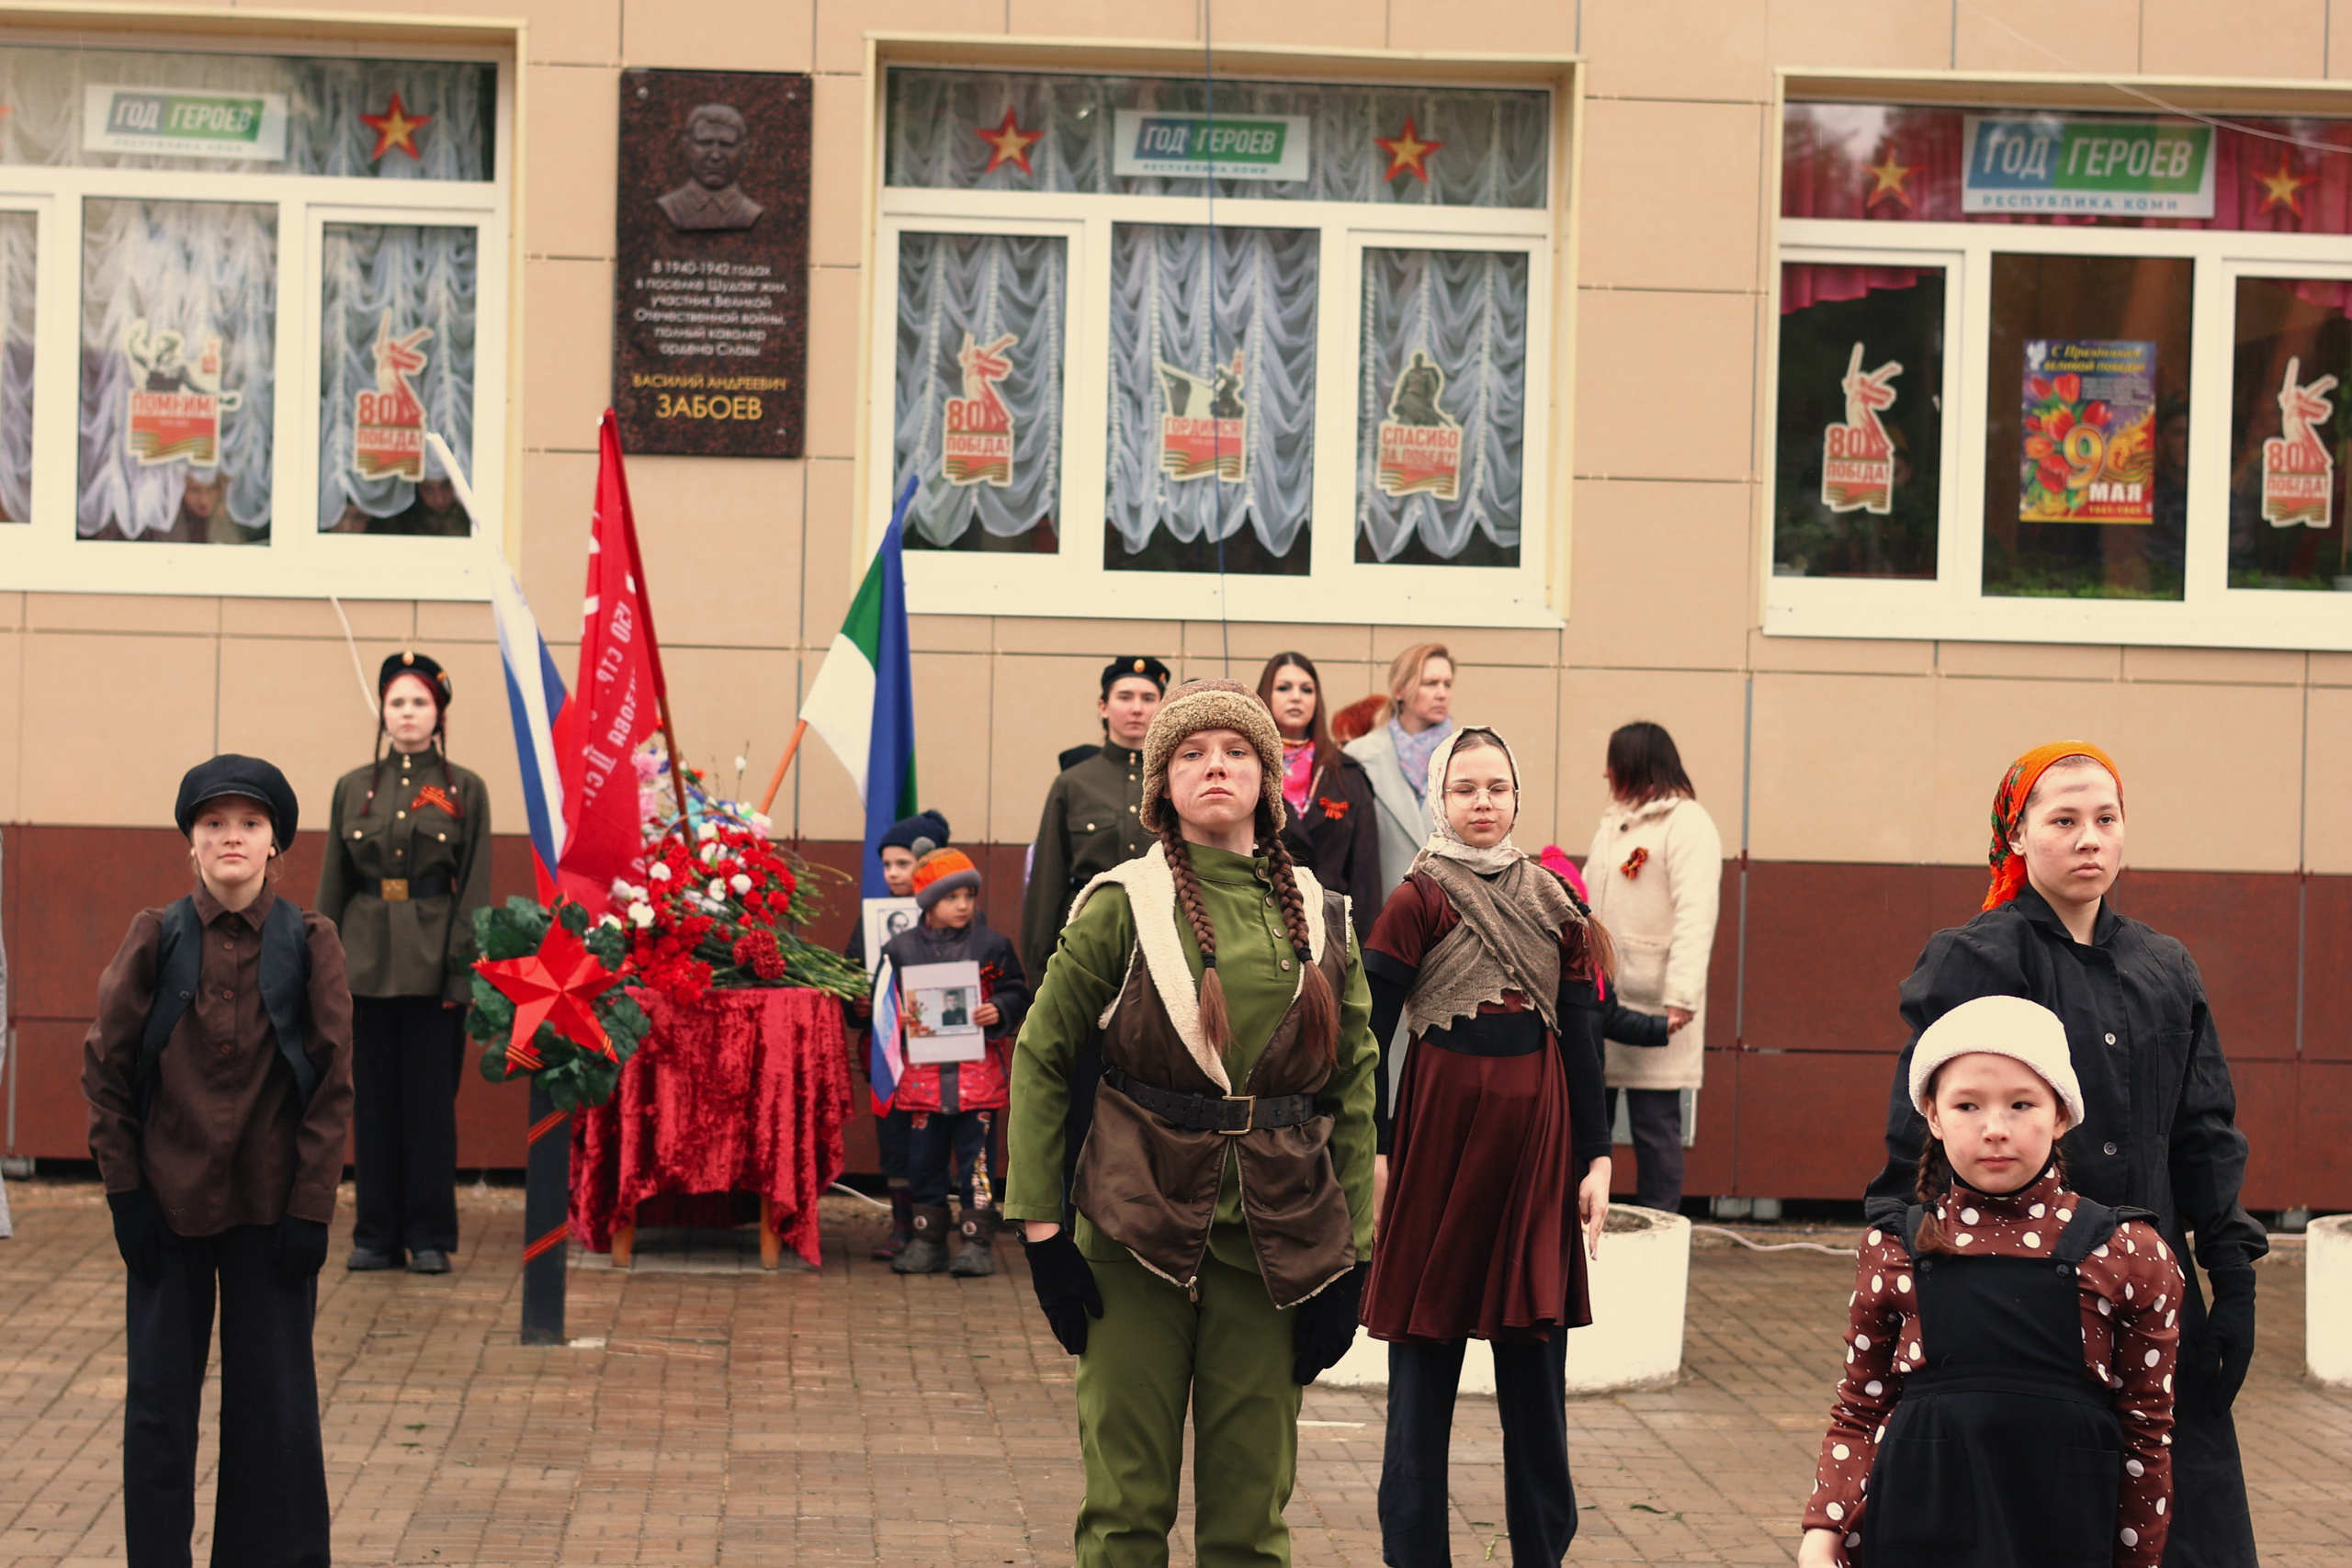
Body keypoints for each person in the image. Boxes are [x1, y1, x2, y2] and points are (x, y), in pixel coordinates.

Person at [1005, 678, 1378, 1568]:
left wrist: (1353, 1257)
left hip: (1278, 1241)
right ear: (1161, 787)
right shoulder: (1119, 904)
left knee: (1250, 1518)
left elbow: (1355, 1090)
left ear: (1269, 777)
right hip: (1134, 1230)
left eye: (1237, 752)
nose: (1216, 767)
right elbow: (1042, 1057)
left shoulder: (1322, 918)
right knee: (1126, 1509)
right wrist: (1044, 1233)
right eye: (1191, 755)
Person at [1863, 743, 2264, 1568]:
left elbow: (2204, 1132)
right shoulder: (1977, 957)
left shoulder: (2165, 965)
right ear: (2016, 835)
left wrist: (2235, 1277)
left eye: (2106, 819)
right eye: (2064, 820)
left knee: (2187, 1532)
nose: (2090, 838)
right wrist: (1898, 1263)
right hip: (2016, 1310)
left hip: (2155, 1303)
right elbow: (1921, 1124)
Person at [82, 755, 354, 1568]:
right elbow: (106, 1070)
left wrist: (312, 1207)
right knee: (160, 1411)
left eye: (248, 824)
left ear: (276, 844)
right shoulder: (155, 936)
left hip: (273, 1219)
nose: (230, 837)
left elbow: (334, 1085)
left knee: (275, 1414)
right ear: (189, 845)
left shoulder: (310, 942)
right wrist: (126, 1195)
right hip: (166, 1213)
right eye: (213, 824)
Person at [1804, 995, 2183, 1568]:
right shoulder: (1894, 1247)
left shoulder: (2130, 1252)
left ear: (2060, 1114)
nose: (1995, 1129)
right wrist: (1822, 1528)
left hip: (2062, 1536)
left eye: (2021, 1104)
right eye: (1967, 1106)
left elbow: (2146, 1431)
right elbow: (1860, 1405)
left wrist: (2140, 1560)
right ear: (1932, 1115)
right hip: (1915, 1532)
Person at [1362, 726, 1615, 1568]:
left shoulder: (1553, 898)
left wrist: (1596, 1157)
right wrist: (1380, 1143)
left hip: (1538, 1145)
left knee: (1536, 1363)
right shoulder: (1417, 899)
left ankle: (1542, 1552)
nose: (1482, 802)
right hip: (1438, 1142)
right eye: (1465, 787)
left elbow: (1583, 1034)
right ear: (1441, 796)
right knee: (1423, 1358)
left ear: (1516, 795)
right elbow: (1371, 1030)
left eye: (1497, 787)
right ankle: (1414, 1554)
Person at [317, 651, 492, 1275]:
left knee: (427, 1106)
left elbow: (473, 888)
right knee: (371, 1104)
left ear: (438, 712)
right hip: (364, 965)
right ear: (383, 712)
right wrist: (323, 971)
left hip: (430, 965)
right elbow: (332, 889)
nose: (408, 713)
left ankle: (428, 1235)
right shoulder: (351, 786)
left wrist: (461, 974)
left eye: (419, 701)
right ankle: (376, 1233)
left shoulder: (463, 788)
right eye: (397, 702)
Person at [1021, 654, 1171, 1214]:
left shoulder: (1176, 777)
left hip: (1162, 957)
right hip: (1089, 960)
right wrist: (1042, 974)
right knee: (1081, 1093)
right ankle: (1069, 1212)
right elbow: (1047, 888)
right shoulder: (1073, 783)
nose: (1136, 708)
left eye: (1147, 698)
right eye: (1125, 697)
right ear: (1103, 706)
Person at [1583, 720, 1721, 1214]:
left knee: (1655, 1127)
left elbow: (1696, 913)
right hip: (1605, 1003)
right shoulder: (1616, 821)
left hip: (1656, 1002)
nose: (1605, 772)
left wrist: (1681, 997)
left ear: (1636, 765)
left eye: (1613, 763)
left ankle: (1661, 1228)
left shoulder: (1688, 824)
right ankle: (1585, 1233)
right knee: (1590, 1126)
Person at [881, 848, 1029, 1277]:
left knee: (976, 1162)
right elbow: (877, 1007)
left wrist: (998, 1008)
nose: (963, 904)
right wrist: (897, 1017)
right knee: (923, 1161)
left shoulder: (993, 946)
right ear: (928, 901)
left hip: (976, 1081)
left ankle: (976, 1243)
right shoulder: (900, 949)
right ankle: (927, 1241)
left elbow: (1018, 991)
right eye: (952, 897)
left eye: (969, 895)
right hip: (922, 1083)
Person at [845, 807, 951, 1260]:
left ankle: (933, 1229)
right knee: (893, 1142)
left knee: (930, 1142)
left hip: (936, 1057)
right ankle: (901, 1225)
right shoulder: (871, 921)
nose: (892, 873)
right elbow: (852, 978)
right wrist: (860, 1003)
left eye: (902, 863)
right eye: (886, 864)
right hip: (886, 1056)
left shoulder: (952, 915)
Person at [1255, 650, 1381, 940]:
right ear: (1265, 694)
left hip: (1333, 932)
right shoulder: (1247, 768)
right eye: (1284, 688)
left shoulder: (1347, 773)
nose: (1296, 697)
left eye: (1306, 689)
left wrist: (1364, 954)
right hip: (1264, 926)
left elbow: (1366, 877)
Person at [1344, 642, 1455, 898]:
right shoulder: (1359, 755)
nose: (1442, 693)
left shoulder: (1467, 756)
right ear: (1400, 691)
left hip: (1449, 917)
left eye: (1447, 684)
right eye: (1430, 683)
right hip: (1382, 913)